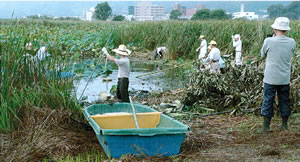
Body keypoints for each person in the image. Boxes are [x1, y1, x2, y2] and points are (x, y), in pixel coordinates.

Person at [260, 17, 296, 132]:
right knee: (284, 101)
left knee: (268, 100)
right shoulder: (292, 42)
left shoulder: (269, 41)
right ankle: (284, 125)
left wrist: (271, 39)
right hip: (284, 78)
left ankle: (266, 127)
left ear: (275, 28)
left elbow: (262, 54)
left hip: (270, 78)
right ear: (286, 29)